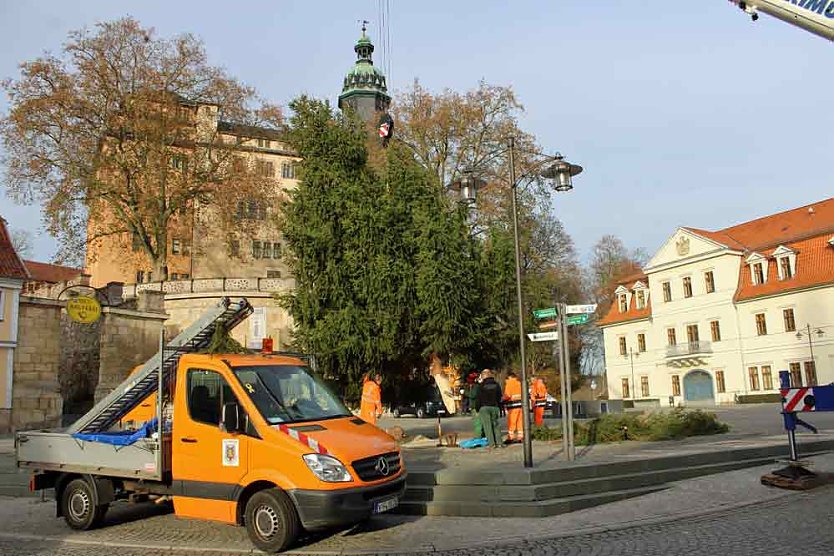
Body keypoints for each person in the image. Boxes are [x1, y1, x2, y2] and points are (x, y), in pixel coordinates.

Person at [475, 369, 502, 449]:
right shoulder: (497, 385)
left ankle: (492, 444)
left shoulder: (481, 386)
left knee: (488, 427)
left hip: (484, 408)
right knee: (496, 425)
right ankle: (499, 443)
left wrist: (477, 409)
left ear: (484, 376)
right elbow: (499, 396)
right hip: (494, 407)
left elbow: (478, 399)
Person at [503, 371, 524, 444]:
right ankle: (520, 437)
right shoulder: (519, 383)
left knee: (512, 422)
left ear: (509, 377)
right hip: (521, 406)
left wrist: (502, 399)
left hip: (513, 406)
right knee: (520, 422)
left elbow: (507, 395)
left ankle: (510, 437)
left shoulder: (509, 384)